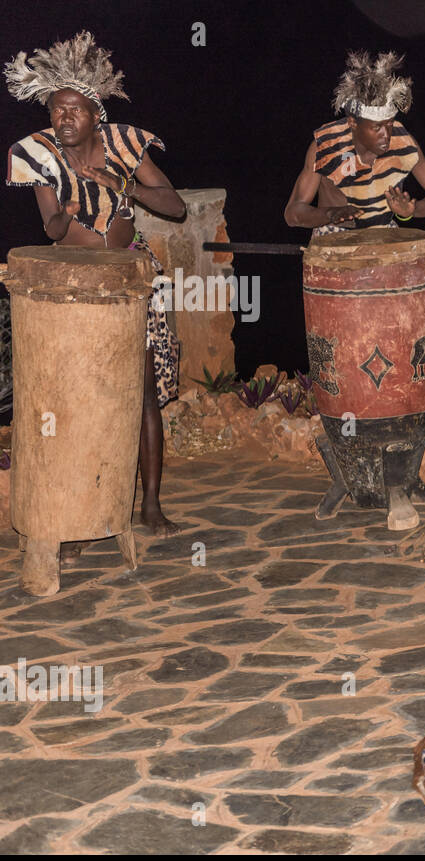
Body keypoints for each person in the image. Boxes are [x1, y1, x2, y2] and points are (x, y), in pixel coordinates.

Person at [5, 31, 186, 556]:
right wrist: (60, 215)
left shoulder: (125, 145)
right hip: (73, 285)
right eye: (56, 109)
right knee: (78, 396)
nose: (64, 119)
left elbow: (173, 207)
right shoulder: (37, 154)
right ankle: (81, 513)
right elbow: (53, 229)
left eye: (74, 110)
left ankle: (149, 504)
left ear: (94, 112)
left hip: (130, 278)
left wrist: (116, 182)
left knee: (143, 390)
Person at [284, 51, 425, 234]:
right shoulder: (326, 145)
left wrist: (412, 210)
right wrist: (330, 214)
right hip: (334, 239)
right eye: (376, 127)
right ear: (353, 123)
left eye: (389, 124)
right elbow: (293, 214)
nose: (386, 134)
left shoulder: (402, 142)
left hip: (383, 235)